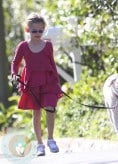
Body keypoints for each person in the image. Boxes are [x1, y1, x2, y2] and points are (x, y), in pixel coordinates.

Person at [11, 13, 63, 156]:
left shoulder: (48, 45)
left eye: (40, 30)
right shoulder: (23, 46)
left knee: (51, 109)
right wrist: (14, 73)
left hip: (48, 81)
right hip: (32, 82)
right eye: (34, 31)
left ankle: (51, 139)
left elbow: (52, 63)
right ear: (28, 30)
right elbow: (15, 62)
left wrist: (57, 83)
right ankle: (40, 144)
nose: (38, 33)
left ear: (44, 30)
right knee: (37, 113)